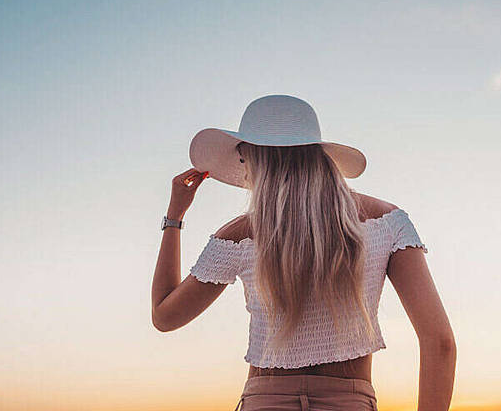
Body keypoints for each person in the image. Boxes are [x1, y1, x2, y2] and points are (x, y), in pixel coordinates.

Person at [151, 94, 456, 410]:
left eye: (243, 157)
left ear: (256, 159)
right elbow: (440, 342)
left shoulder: (239, 235)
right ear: (320, 155)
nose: (244, 171)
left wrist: (174, 217)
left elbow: (164, 316)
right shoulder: (387, 222)